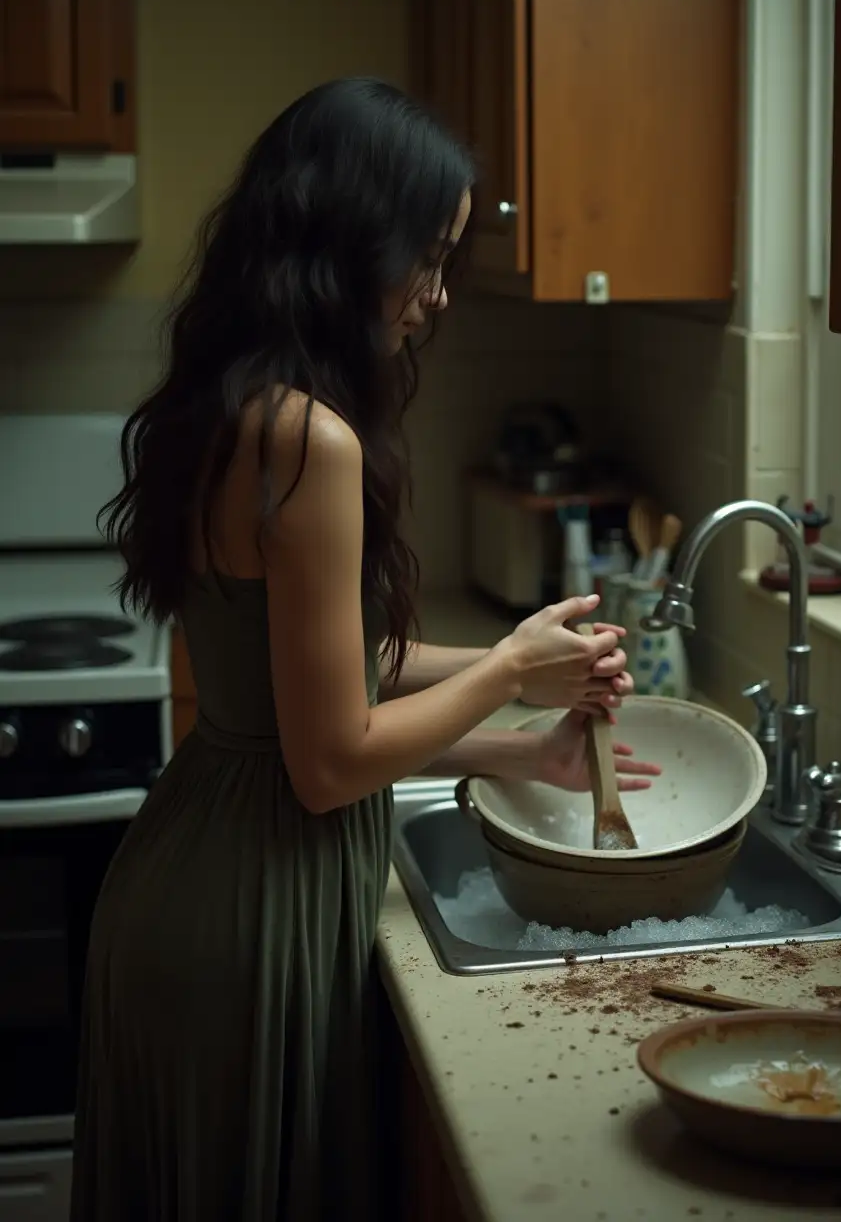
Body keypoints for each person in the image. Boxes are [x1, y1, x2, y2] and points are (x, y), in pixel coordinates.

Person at [70, 77, 659, 1222]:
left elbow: (320, 670)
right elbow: (329, 758)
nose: (435, 297)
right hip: (247, 918)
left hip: (190, 885)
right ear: (349, 240)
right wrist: (505, 673)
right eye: (426, 258)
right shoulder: (308, 438)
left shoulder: (240, 404)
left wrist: (516, 730)